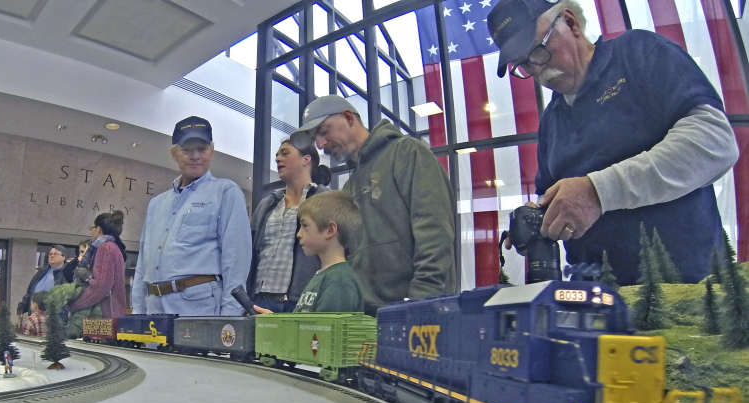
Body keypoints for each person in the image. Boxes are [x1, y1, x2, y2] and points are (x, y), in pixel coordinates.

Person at [488, 0, 738, 285]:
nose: (537, 70)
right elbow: (554, 199)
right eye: (523, 64)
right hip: (595, 305)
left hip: (689, 295)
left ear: (570, 23)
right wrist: (536, 223)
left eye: (538, 51)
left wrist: (599, 192)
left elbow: (714, 141)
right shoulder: (551, 122)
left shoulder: (639, 53)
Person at [289, 95, 456, 316]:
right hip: (366, 316)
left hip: (416, 311)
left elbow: (434, 232)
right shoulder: (350, 186)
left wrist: (422, 302)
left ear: (348, 117)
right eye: (315, 138)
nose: (320, 145)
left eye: (323, 131)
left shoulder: (406, 152)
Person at [131, 116, 252, 316]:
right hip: (154, 308)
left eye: (202, 149)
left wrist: (230, 317)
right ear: (174, 153)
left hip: (199, 306)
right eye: (187, 149)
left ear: (211, 152)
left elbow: (236, 260)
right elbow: (143, 263)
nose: (195, 156)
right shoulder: (156, 204)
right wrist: (138, 310)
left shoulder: (226, 192)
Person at [247, 139, 332, 313]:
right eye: (277, 155)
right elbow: (250, 251)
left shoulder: (325, 200)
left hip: (300, 302)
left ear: (306, 159)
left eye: (285, 153)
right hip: (259, 301)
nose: (278, 158)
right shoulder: (267, 204)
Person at [254, 191, 364, 314]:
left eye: (305, 226)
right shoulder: (324, 276)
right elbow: (305, 327)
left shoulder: (339, 281)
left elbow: (322, 332)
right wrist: (275, 321)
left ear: (330, 230)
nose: (299, 234)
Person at [66, 210, 128, 319]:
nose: (91, 232)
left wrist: (75, 304)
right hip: (111, 314)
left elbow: (101, 286)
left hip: (104, 317)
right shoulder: (113, 246)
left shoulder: (106, 248)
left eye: (92, 228)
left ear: (98, 229)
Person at [16, 245, 72, 321]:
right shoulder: (42, 272)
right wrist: (21, 308)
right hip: (34, 318)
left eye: (55, 254)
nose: (52, 256)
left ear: (63, 257)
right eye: (50, 254)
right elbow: (30, 292)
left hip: (55, 320)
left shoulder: (68, 274)